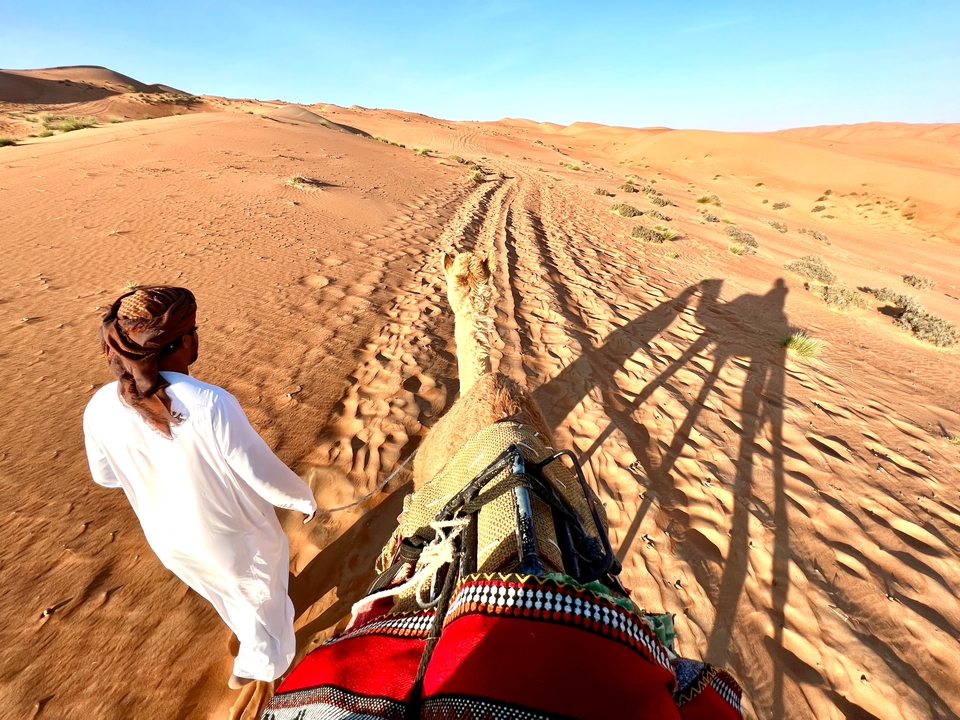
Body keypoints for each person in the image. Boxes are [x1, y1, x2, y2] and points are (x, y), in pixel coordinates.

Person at [82, 286, 318, 689]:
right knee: (267, 604)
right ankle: (261, 666)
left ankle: (252, 644)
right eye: (194, 330)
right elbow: (263, 476)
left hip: (170, 541)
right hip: (235, 538)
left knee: (226, 596)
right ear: (182, 341)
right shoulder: (210, 402)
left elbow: (105, 476)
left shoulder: (101, 405)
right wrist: (303, 499)